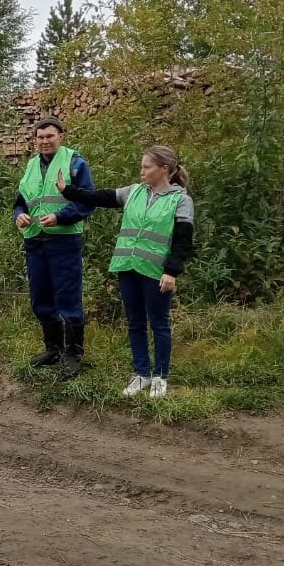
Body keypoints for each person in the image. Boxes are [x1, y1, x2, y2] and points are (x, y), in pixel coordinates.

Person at [56, 145, 195, 399]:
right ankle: (141, 373)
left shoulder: (181, 200)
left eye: (146, 167)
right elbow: (99, 197)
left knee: (160, 323)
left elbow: (183, 240)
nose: (141, 172)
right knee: (135, 323)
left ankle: (160, 376)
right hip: (127, 267)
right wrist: (68, 190)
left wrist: (172, 272)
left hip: (156, 272)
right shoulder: (133, 192)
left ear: (164, 169)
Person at [14, 116, 96, 376]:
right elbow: (20, 201)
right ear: (35, 140)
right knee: (41, 296)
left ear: (61, 136)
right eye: (40, 137)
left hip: (64, 239)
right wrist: (19, 215)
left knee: (68, 296)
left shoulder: (74, 163)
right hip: (34, 239)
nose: (44, 141)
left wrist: (60, 216)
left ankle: (73, 354)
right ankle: (53, 349)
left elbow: (87, 201)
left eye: (49, 136)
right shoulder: (30, 166)